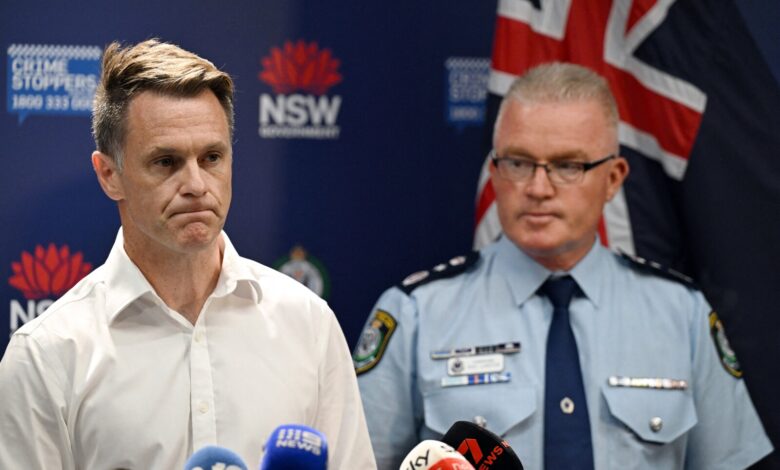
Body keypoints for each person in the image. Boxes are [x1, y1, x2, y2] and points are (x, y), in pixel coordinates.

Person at [354, 62, 773, 469]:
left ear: (613, 179)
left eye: (568, 166)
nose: (538, 188)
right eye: (518, 163)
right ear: (494, 172)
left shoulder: (681, 314)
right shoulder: (416, 315)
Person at [0, 39, 375, 469]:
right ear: (109, 175)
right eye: (166, 162)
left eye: (212, 157)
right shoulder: (47, 356)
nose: (196, 185)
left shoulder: (308, 324)